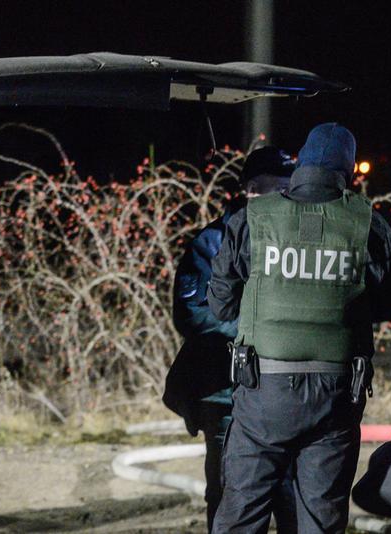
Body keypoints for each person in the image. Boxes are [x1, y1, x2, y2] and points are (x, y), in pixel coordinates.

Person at [208, 123, 391, 534]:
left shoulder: (253, 219)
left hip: (263, 390)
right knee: (320, 517)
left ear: (301, 162)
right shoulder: (370, 223)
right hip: (336, 397)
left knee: (242, 511)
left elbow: (220, 303)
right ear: (349, 172)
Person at [165, 146, 297, 533]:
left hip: (282, 391)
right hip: (226, 394)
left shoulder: (294, 238)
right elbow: (193, 315)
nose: (290, 198)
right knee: (228, 498)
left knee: (290, 496)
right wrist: (259, 327)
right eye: (281, 189)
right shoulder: (214, 242)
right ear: (251, 190)